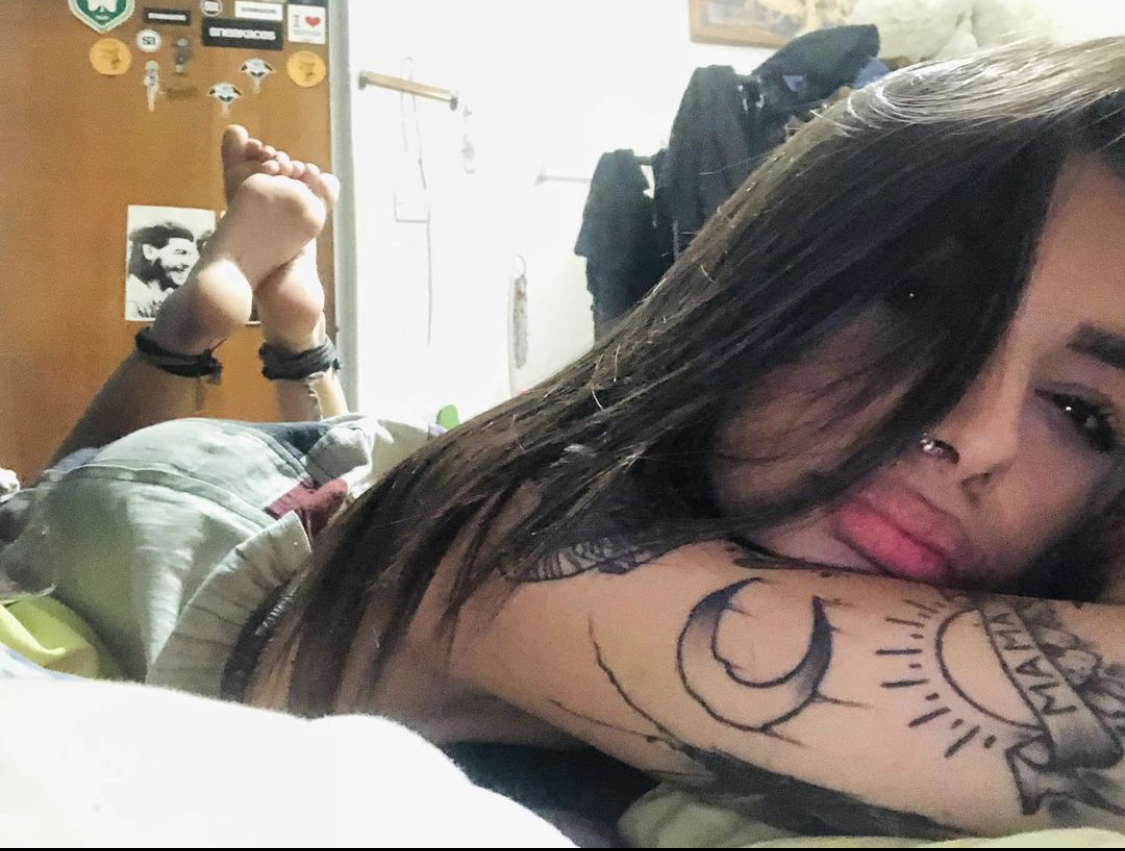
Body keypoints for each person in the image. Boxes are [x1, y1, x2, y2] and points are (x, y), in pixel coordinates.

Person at [7, 40, 1125, 841]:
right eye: (917, 301)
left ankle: (298, 325)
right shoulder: (528, 552)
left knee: (349, 439)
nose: (970, 434)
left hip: (365, 482)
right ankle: (207, 309)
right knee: (46, 499)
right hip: (201, 515)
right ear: (771, 279)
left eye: (1084, 412)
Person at [125, 220, 206, 320]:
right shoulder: (132, 304)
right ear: (149, 251)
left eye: (191, 255)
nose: (189, 263)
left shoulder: (161, 299)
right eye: (181, 252)